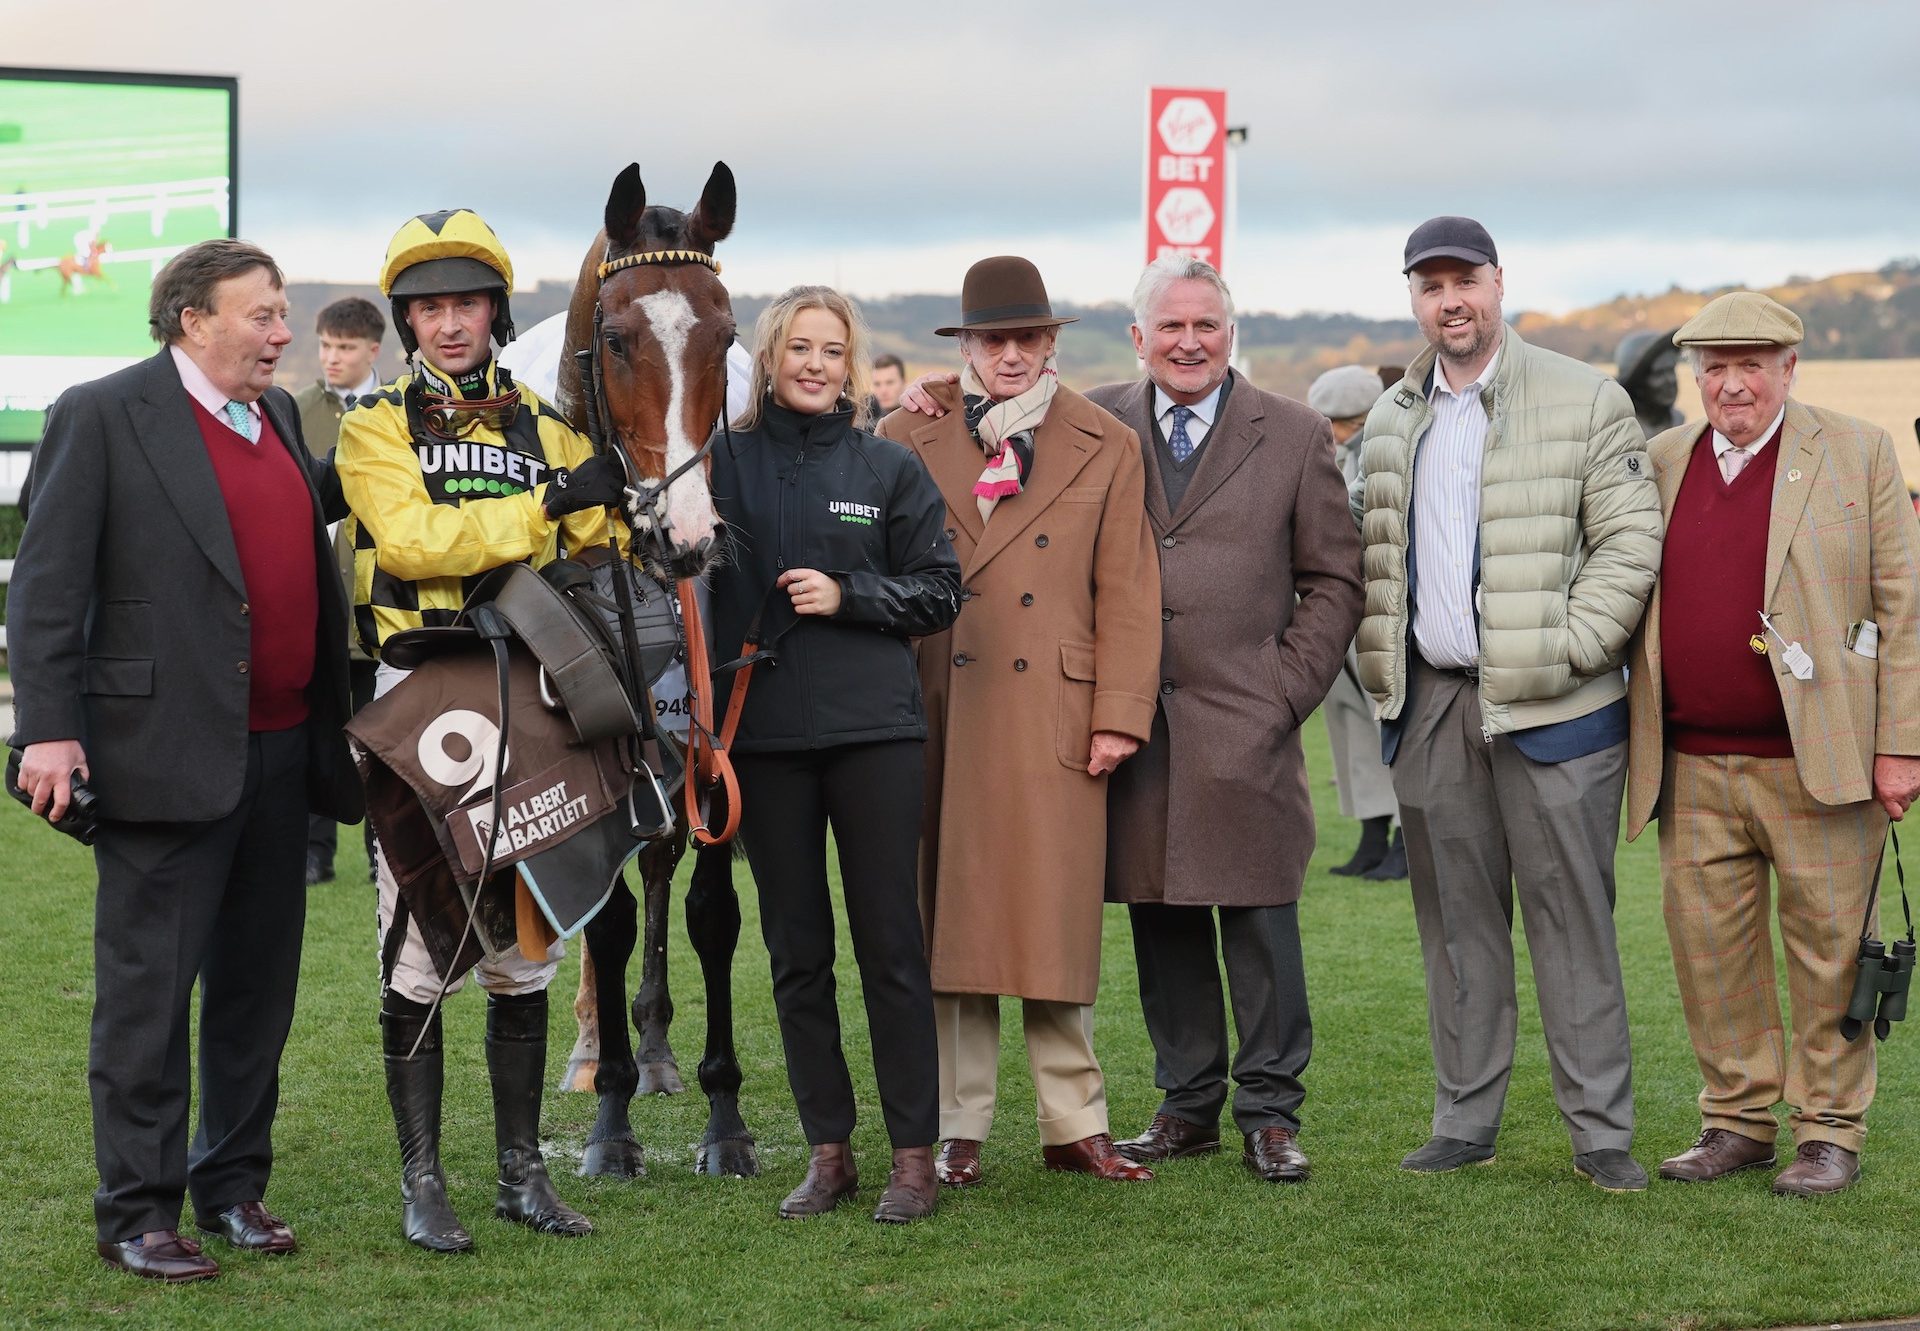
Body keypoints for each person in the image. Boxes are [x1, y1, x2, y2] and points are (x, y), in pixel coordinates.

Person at [7, 238, 362, 1282]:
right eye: (262, 314)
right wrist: (49, 729)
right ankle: (138, 1210)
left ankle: (233, 1185)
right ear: (191, 319)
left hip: (285, 750)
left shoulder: (282, 418)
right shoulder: (104, 412)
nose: (283, 332)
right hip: (159, 756)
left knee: (258, 991)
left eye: (283, 312)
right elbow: (46, 586)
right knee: (149, 1000)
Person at [337, 209, 629, 1253]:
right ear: (405, 320)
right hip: (420, 698)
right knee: (422, 940)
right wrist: (554, 500)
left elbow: (600, 541)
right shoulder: (374, 424)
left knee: (528, 945)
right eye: (427, 308)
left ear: (495, 312)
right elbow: (413, 544)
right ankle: (424, 1182)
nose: (448, 324)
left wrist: (613, 499)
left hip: (535, 696)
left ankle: (521, 1174)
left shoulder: (551, 424)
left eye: (465, 303)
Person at [1353, 216, 1662, 1191]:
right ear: (1415, 296)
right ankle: (1465, 1117)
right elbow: (1370, 550)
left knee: (1574, 921)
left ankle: (1600, 1131)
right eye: (1431, 283)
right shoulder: (1394, 416)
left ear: (1498, 282)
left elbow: (1628, 544)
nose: (1452, 300)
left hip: (1558, 711)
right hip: (1434, 703)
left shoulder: (1586, 395)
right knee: (1457, 928)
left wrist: (1566, 648)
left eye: (1466, 280)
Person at [1624, 292, 1920, 1196]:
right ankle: (1737, 1120)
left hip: (1822, 759)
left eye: (1753, 363)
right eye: (1715, 365)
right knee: (1710, 953)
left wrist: (1901, 745)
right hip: (1690, 759)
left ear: (1790, 368)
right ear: (1695, 376)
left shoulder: (1859, 450)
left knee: (1832, 950)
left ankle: (1829, 1130)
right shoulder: (1659, 458)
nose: (1733, 382)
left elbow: (1903, 608)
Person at [877, 255, 1161, 1186]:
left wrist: (1119, 712)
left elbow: (1128, 589)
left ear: (1051, 344)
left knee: (1052, 916)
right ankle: (959, 1123)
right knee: (951, 920)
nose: (1009, 353)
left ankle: (1074, 1121)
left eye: (1026, 338)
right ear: (965, 346)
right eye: (991, 339)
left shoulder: (1106, 440)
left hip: (1057, 710)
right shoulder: (903, 435)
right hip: (940, 704)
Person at [1080, 258, 1362, 1183]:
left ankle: (1271, 1112)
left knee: (1258, 917)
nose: (1189, 342)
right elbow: (984, 410)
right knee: (1161, 920)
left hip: (1249, 719)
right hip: (1135, 722)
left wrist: (1283, 690)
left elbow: (1333, 579)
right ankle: (1187, 1104)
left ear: (1230, 334)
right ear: (1138, 337)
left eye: (1206, 326)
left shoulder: (1292, 432)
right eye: (1171, 327)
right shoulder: (1092, 419)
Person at [707, 285, 959, 1222]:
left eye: (832, 349)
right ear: (769, 358)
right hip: (762, 741)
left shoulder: (888, 466)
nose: (814, 364)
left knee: (891, 946)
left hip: (875, 738)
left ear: (851, 363)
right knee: (795, 951)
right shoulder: (719, 464)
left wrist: (849, 595)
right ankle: (828, 1151)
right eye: (798, 347)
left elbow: (940, 592)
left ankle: (911, 1157)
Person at [292, 296, 386, 886]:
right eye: (326, 345)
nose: (332, 358)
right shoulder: (292, 411)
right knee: (316, 734)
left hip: (382, 610)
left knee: (389, 742)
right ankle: (313, 852)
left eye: (345, 347)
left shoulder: (395, 413)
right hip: (316, 609)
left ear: (374, 350)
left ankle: (388, 852)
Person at [1307, 364, 1403, 880]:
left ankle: (1406, 837)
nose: (1336, 429)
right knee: (1350, 719)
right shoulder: (1335, 453)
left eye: (1343, 421)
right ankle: (1372, 831)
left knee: (1388, 719)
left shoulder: (1385, 449)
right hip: (1340, 605)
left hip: (1382, 604)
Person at [1614, 329, 1686, 439]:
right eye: (1658, 373)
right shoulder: (1620, 429)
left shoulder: (1679, 421)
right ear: (1637, 384)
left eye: (1671, 370)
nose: (1670, 380)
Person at [870, 352, 907, 417]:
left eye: (890, 383)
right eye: (877, 384)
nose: (883, 391)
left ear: (904, 382)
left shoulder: (919, 418)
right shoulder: (861, 421)